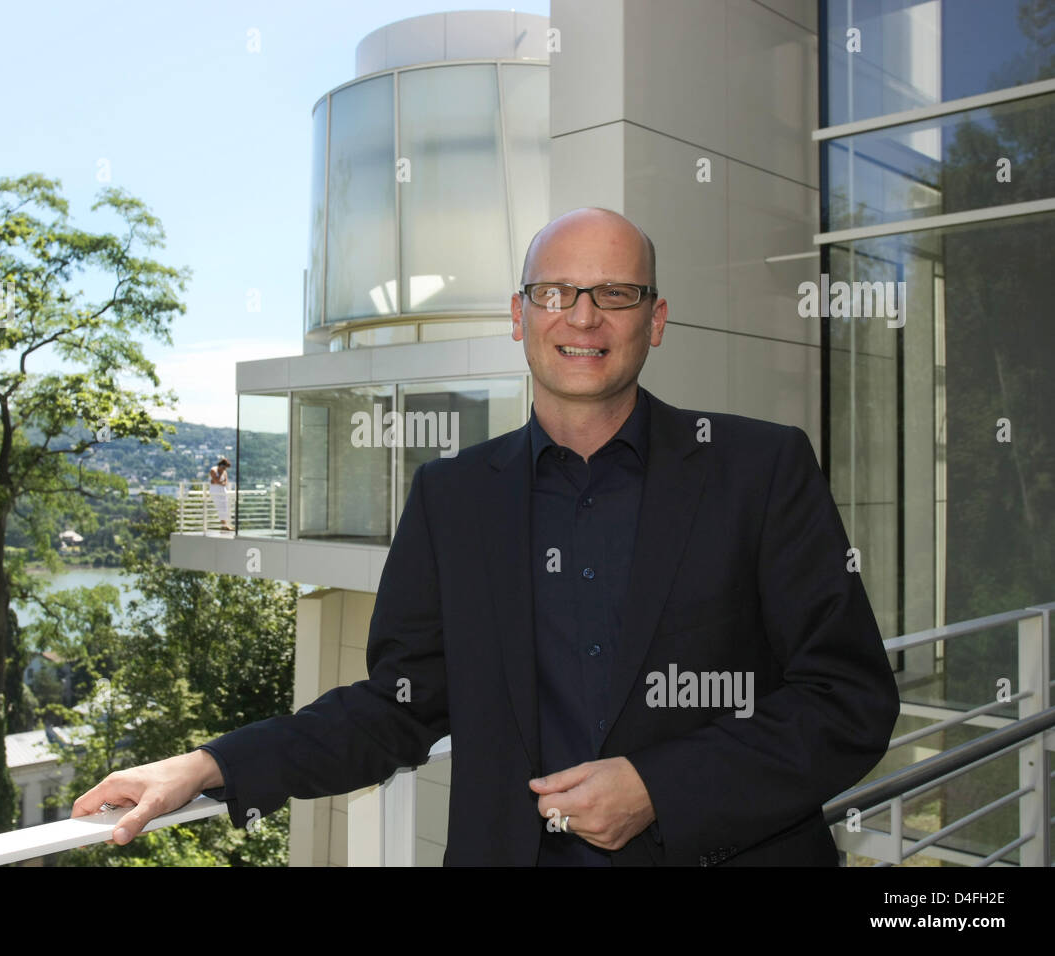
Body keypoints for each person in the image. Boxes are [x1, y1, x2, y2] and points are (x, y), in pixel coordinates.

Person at [74, 208, 900, 866]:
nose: (583, 316)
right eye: (555, 292)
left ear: (657, 319)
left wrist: (661, 786)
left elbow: (848, 701)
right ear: (519, 315)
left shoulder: (758, 468)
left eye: (615, 293)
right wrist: (208, 765)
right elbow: (395, 707)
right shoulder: (451, 497)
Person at [207, 457, 232, 532]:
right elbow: (216, 480)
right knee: (219, 507)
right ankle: (223, 525)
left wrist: (218, 482)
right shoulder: (213, 470)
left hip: (223, 491)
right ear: (221, 465)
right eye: (224, 467)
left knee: (225, 507)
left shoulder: (224, 472)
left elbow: (225, 482)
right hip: (215, 491)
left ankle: (225, 525)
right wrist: (219, 477)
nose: (224, 469)